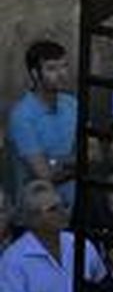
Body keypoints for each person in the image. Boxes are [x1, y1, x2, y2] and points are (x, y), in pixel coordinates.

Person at [7, 40, 77, 206]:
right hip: (38, 205)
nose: (61, 74)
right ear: (35, 74)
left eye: (64, 66)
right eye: (52, 69)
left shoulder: (72, 103)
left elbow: (95, 155)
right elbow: (45, 175)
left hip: (75, 196)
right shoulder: (22, 116)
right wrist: (76, 162)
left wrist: (58, 162)